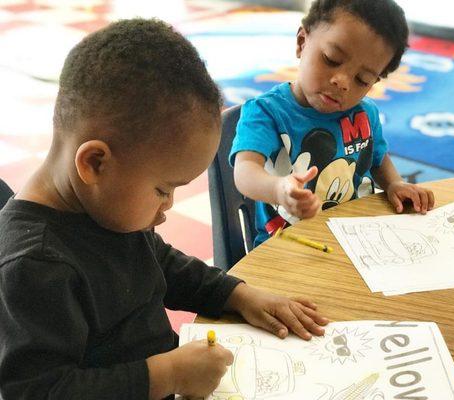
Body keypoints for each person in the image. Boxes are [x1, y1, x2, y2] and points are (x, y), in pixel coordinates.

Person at [0, 18, 328, 400]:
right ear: (95, 163)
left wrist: (238, 295)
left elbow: (157, 263)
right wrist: (165, 375)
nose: (168, 206)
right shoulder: (34, 267)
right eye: (162, 189)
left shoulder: (104, 207)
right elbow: (38, 392)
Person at [230, 0, 435, 246]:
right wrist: (278, 189)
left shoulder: (365, 112)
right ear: (302, 42)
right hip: (289, 244)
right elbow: (245, 172)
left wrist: (394, 184)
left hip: (355, 236)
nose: (342, 81)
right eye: (331, 59)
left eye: (362, 79)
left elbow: (378, 158)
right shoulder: (266, 112)